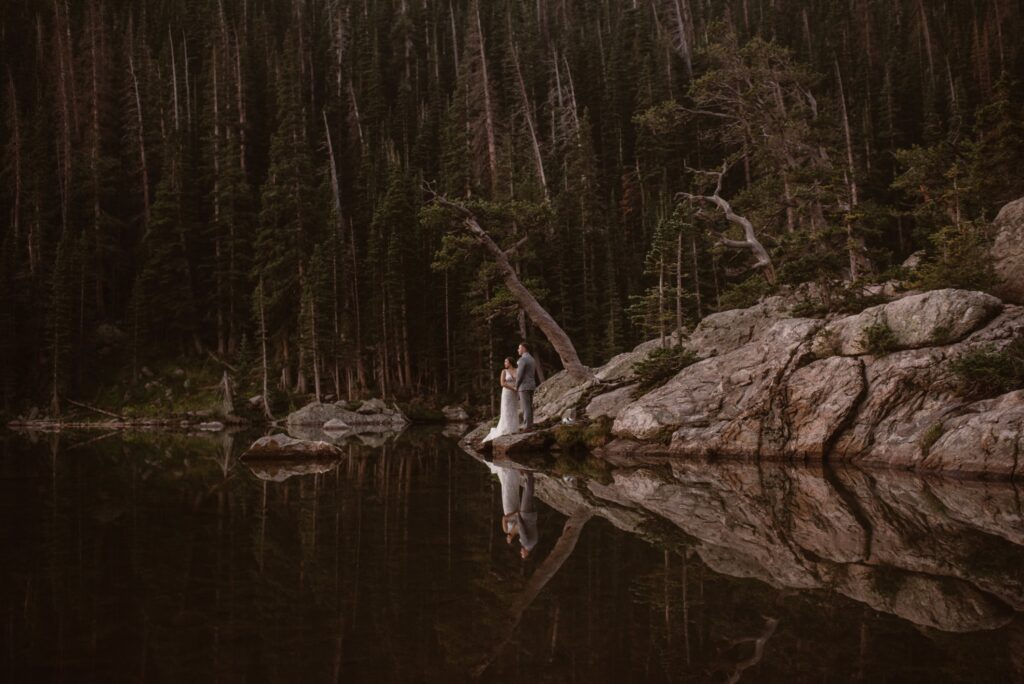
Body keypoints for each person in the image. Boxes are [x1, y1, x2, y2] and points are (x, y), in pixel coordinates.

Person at [482, 357, 520, 442]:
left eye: (506, 361)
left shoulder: (517, 370)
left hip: (515, 393)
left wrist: (517, 388)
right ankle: (505, 429)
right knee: (506, 409)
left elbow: (519, 380)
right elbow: (502, 383)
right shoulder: (504, 371)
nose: (504, 363)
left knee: (514, 409)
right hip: (507, 392)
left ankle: (514, 429)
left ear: (510, 362)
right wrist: (513, 388)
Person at [515, 342, 538, 430]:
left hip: (524, 386)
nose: (518, 350)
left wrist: (516, 386)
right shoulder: (532, 359)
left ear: (524, 348)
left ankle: (527, 426)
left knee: (525, 407)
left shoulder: (522, 359)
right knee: (529, 406)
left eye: (519, 348)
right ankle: (530, 424)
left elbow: (519, 375)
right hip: (532, 385)